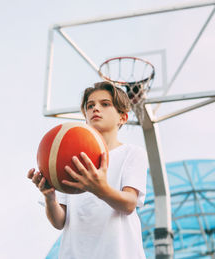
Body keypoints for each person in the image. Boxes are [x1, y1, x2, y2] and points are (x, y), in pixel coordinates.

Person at [27, 81, 148, 258]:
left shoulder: (131, 153)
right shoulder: (70, 158)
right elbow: (59, 221)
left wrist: (100, 189)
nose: (95, 108)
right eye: (90, 105)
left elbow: (129, 203)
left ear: (122, 117)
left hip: (118, 252)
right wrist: (49, 198)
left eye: (105, 104)